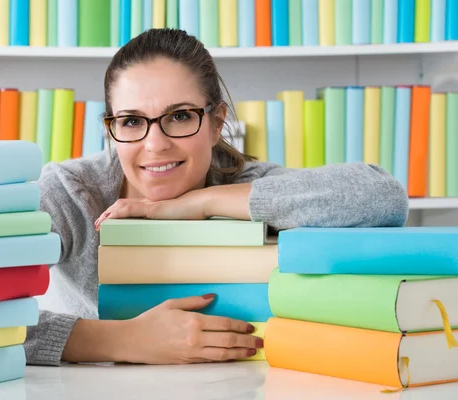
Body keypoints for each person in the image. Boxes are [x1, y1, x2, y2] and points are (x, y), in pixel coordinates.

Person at [25, 28, 409, 366]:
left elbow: (382, 196)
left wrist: (201, 203)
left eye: (180, 116)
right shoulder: (71, 192)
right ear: (111, 130)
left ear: (216, 123)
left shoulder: (239, 182)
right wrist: (124, 339)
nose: (155, 145)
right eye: (131, 121)